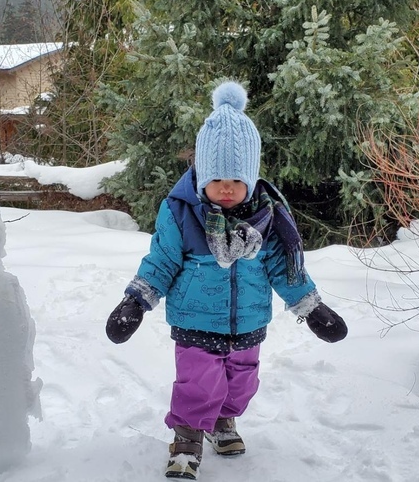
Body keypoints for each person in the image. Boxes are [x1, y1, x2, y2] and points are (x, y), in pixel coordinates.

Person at [105, 80, 347, 480]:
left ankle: (223, 422)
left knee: (241, 385)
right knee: (197, 384)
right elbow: (161, 262)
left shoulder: (267, 218)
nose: (227, 188)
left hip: (249, 323)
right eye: (218, 179)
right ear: (202, 175)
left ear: (250, 179)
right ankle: (186, 439)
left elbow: (283, 267)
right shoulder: (182, 213)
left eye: (237, 180)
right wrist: (136, 301)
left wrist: (312, 307)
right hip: (195, 321)